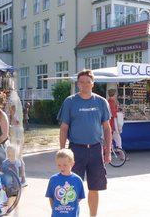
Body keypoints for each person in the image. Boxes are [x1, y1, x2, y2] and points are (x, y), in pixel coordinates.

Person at [56, 69, 111, 217]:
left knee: (94, 187)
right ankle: (71, 214)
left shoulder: (101, 102)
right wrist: (62, 151)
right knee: (71, 187)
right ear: (78, 84)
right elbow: (64, 128)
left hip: (95, 149)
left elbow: (107, 128)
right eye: (82, 82)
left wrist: (108, 151)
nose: (85, 85)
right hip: (76, 150)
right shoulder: (70, 101)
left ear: (93, 83)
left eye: (88, 82)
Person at [46, 148, 85, 217]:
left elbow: (79, 197)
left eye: (65, 165)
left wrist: (69, 205)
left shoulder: (77, 180)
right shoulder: (53, 179)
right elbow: (51, 197)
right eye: (59, 165)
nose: (62, 168)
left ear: (72, 163)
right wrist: (56, 209)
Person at [106, 89, 124, 160]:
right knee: (118, 140)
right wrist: (119, 114)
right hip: (113, 124)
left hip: (109, 124)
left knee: (109, 141)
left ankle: (108, 155)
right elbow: (113, 113)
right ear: (114, 94)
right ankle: (121, 155)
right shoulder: (112, 102)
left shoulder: (108, 101)